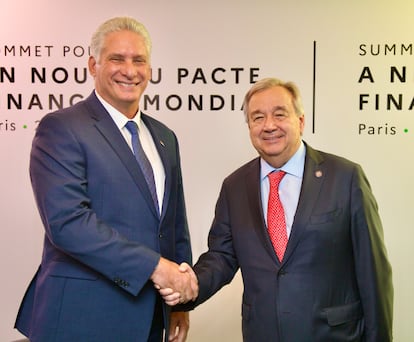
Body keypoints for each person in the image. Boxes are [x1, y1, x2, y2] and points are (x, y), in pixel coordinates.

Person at [163, 77, 393, 341]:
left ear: (301, 121)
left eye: (279, 114)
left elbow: (373, 272)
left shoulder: (345, 178)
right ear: (249, 126)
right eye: (257, 117)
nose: (269, 125)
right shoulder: (235, 186)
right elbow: (221, 258)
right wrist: (188, 287)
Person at [14, 17, 197, 342]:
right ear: (93, 65)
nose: (130, 70)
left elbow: (174, 227)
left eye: (139, 60)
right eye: (117, 59)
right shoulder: (61, 128)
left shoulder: (164, 137)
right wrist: (156, 268)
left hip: (151, 319)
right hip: (81, 318)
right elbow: (68, 223)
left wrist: (180, 300)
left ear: (150, 69)